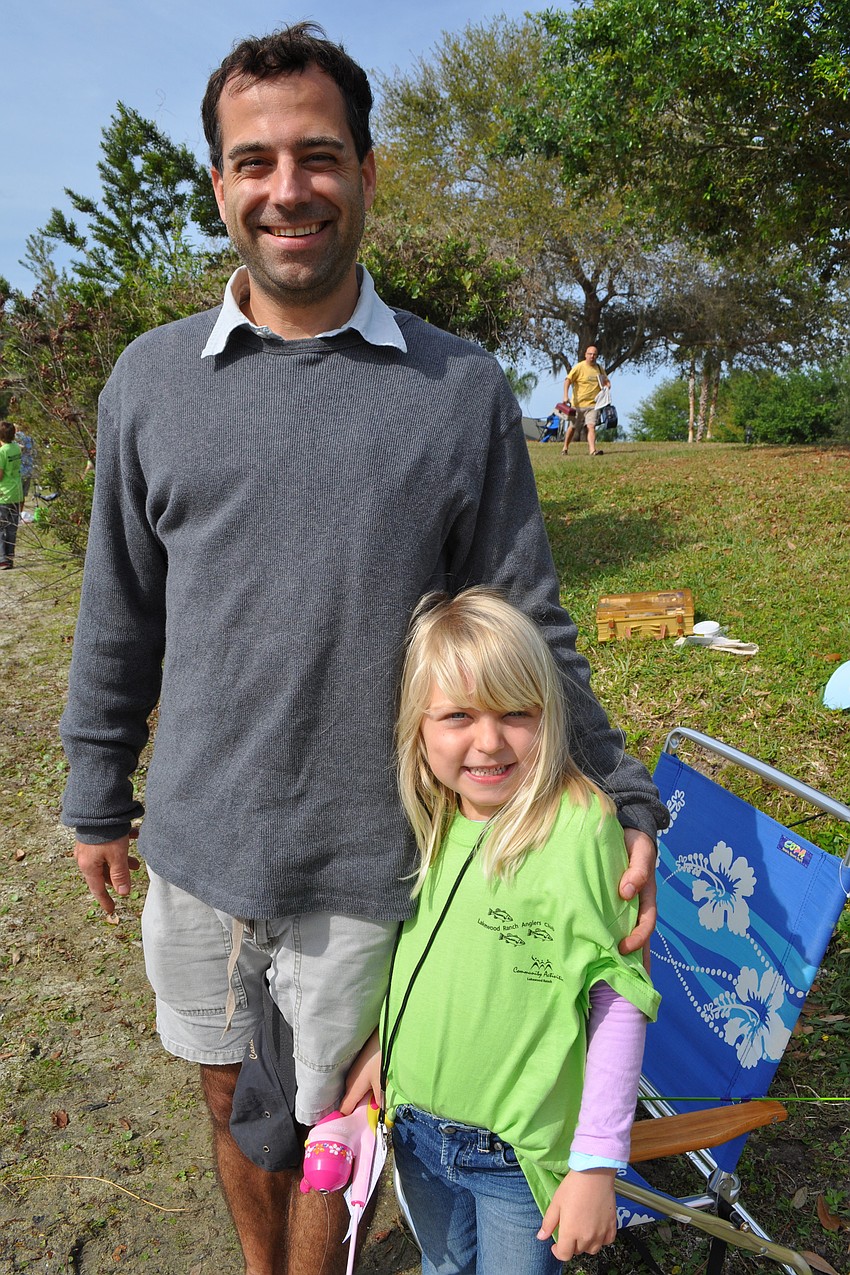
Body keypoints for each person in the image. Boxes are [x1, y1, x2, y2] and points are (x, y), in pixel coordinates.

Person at [59, 24, 667, 1275]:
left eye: (319, 156)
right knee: (231, 1103)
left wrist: (618, 788)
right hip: (200, 840)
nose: (290, 189)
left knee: (339, 1122)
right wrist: (94, 792)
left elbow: (527, 612)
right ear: (221, 185)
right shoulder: (151, 381)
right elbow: (119, 606)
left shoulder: (457, 389)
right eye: (255, 161)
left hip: (378, 852)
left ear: (368, 171)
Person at [342, 588, 659, 1274]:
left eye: (517, 713)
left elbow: (620, 997)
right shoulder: (434, 816)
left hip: (516, 1155)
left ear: (552, 715)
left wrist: (597, 1164)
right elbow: (428, 957)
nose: (489, 740)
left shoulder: (580, 828)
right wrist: (383, 1046)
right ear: (418, 730)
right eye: (458, 715)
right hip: (417, 1131)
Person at [562, 345, 610, 457]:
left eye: (594, 354)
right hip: (578, 405)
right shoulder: (579, 367)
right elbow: (567, 381)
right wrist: (565, 396)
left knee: (591, 426)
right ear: (585, 355)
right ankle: (565, 447)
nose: (592, 356)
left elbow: (606, 380)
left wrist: (607, 386)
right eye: (590, 354)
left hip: (593, 405)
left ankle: (592, 450)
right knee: (572, 427)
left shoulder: (599, 368)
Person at [0, 421, 23, 570]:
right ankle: (10, 557)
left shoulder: (2, 452)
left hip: (4, 493)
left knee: (1, 527)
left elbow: (0, 475)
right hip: (17, 491)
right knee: (12, 528)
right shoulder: (16, 448)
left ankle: (2, 558)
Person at [15, 426, 36, 509]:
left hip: (18, 469)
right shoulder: (31, 438)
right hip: (28, 470)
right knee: (23, 494)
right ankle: (21, 512)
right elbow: (34, 453)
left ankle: (14, 514)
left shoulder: (17, 436)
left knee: (15, 494)